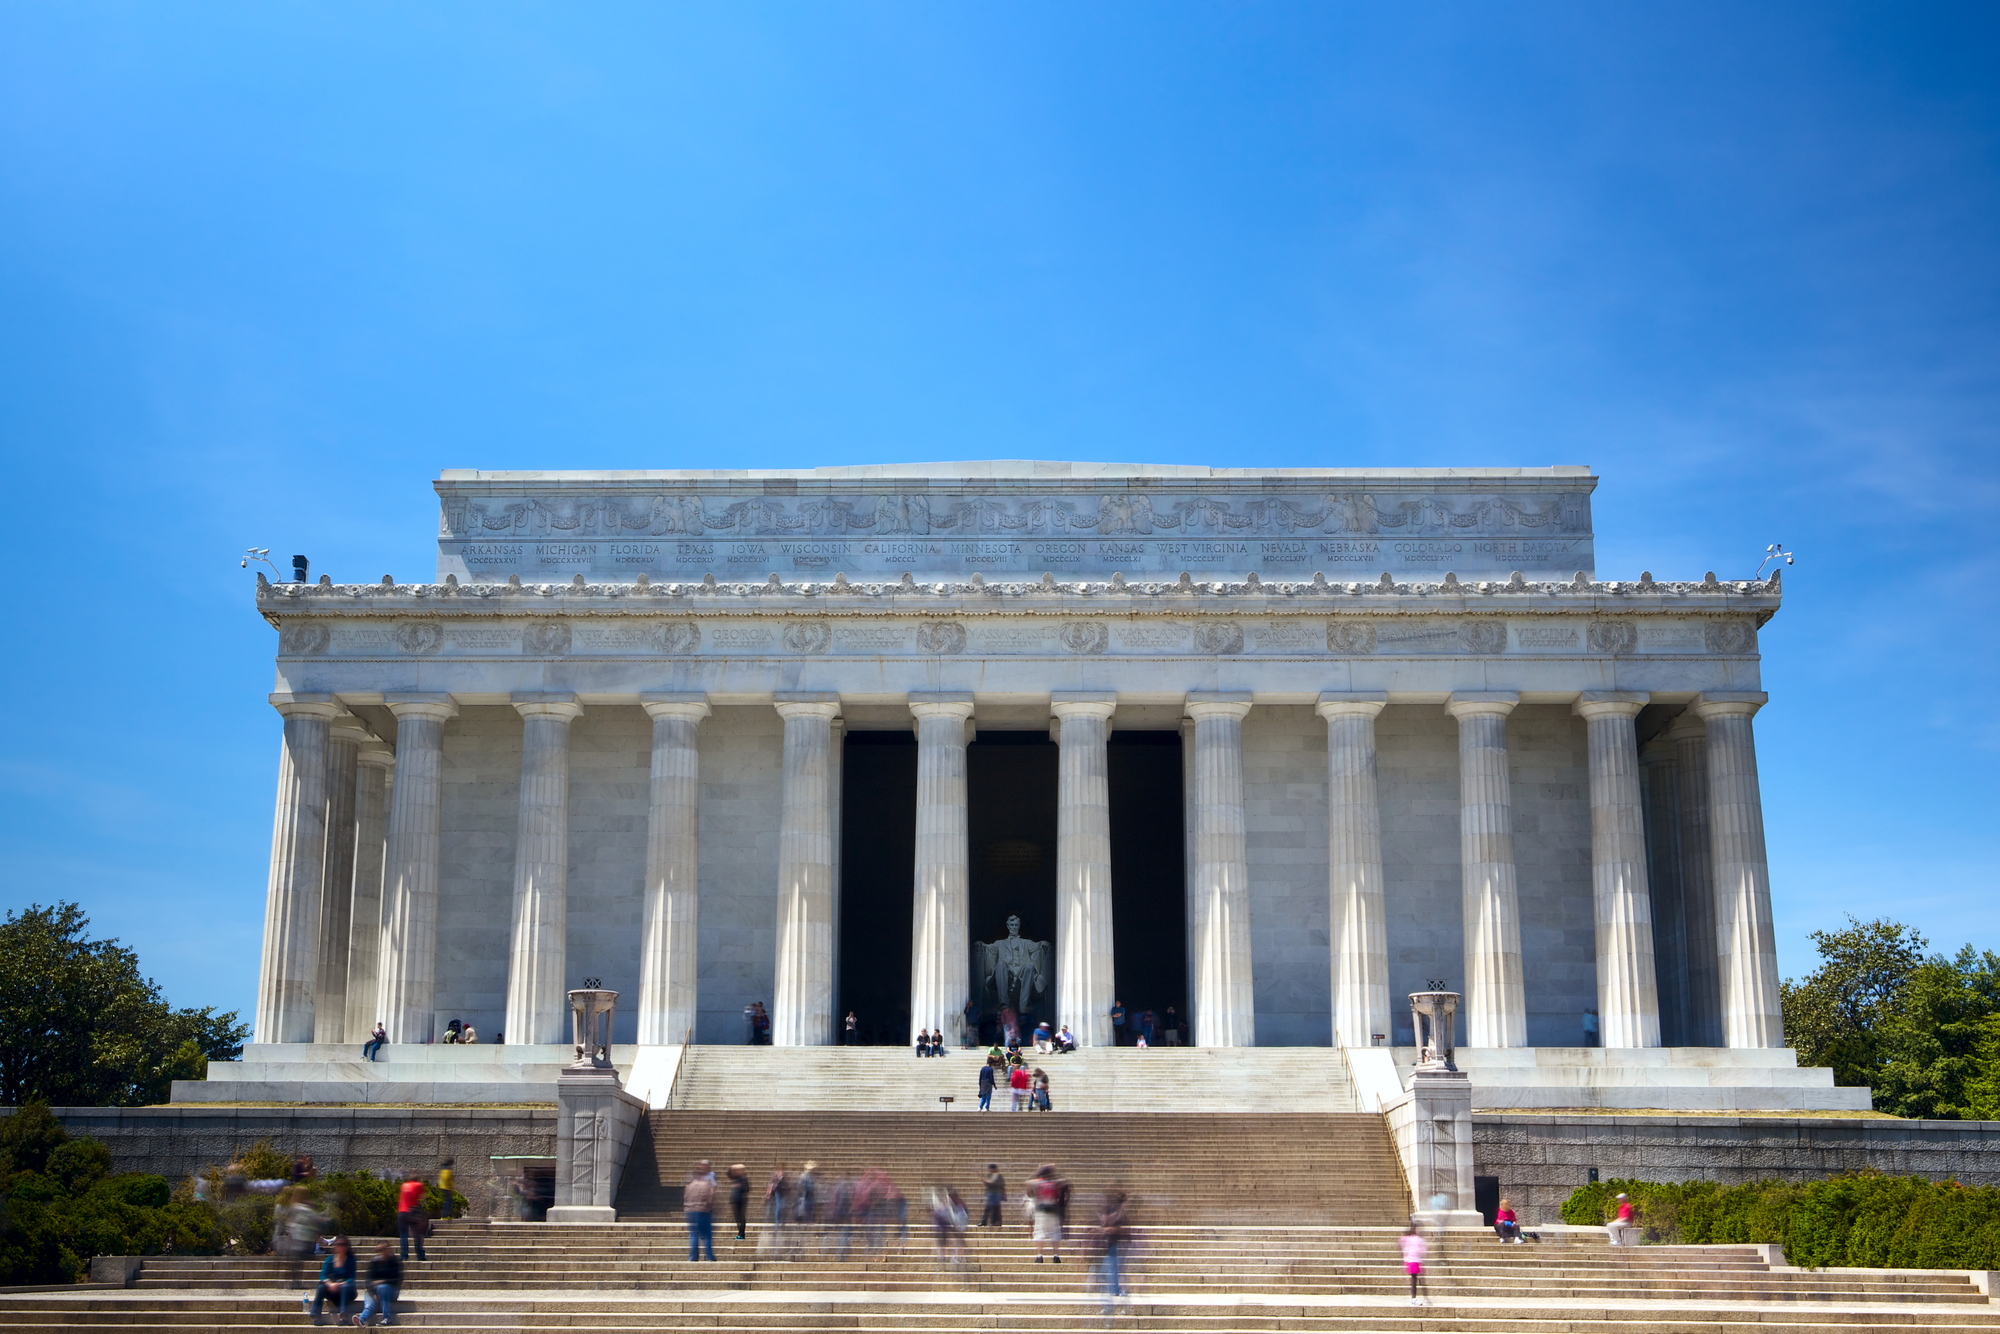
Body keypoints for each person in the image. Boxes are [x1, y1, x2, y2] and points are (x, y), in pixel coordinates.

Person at [307, 1235, 355, 1322]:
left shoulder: (351, 1260)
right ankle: (316, 1315)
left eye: (342, 1244)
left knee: (345, 1286)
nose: (339, 1246)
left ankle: (343, 1316)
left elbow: (351, 1278)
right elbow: (323, 1275)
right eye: (337, 1244)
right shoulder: (330, 1259)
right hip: (332, 1289)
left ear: (346, 1246)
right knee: (321, 1287)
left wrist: (338, 1284)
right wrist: (330, 1284)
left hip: (347, 1290)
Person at [1094, 1191, 1129, 1311]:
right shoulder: (1116, 1212)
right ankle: (1116, 1290)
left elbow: (1117, 1228)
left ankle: (1117, 1290)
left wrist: (1106, 1228)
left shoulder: (1117, 1213)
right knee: (1111, 1268)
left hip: (1115, 1244)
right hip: (1112, 1244)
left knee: (1112, 1268)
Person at [351, 1242, 400, 1327]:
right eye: (378, 1250)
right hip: (373, 1291)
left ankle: (387, 1318)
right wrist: (374, 1293)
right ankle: (361, 1320)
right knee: (369, 1305)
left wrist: (382, 1282)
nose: (380, 1252)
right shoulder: (374, 1262)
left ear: (388, 1250)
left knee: (382, 1288)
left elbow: (396, 1280)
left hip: (391, 1291)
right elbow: (368, 1281)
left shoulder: (394, 1262)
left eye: (382, 1249)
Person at [1029, 1165, 1064, 1263]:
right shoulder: (1055, 1183)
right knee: (1055, 1233)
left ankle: (1039, 1256)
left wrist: (1037, 1172)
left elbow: (1027, 1182)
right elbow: (1063, 1180)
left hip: (1041, 1210)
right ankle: (1056, 1256)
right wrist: (1055, 1171)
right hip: (1053, 1210)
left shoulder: (1038, 1183)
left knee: (1039, 1232)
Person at [685, 1160, 717, 1261]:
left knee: (693, 1234)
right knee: (707, 1234)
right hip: (703, 1211)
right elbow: (710, 1198)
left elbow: (685, 1197)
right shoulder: (706, 1185)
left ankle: (693, 1257)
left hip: (690, 1211)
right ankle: (709, 1256)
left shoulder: (689, 1186)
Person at [396, 1175, 428, 1263]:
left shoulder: (404, 1185)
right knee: (417, 1235)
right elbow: (423, 1197)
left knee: (403, 1234)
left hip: (402, 1211)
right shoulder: (418, 1185)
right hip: (412, 1212)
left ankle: (404, 1255)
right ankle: (420, 1255)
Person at [1400, 1223, 1428, 1306]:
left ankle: (1418, 1297)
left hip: (1416, 1260)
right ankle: (1414, 1298)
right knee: (1414, 1279)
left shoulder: (1416, 1239)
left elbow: (1422, 1249)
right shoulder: (1411, 1238)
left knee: (1416, 1279)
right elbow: (1402, 1243)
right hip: (1412, 1260)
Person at [727, 1163, 750, 1241]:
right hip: (735, 1200)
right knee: (737, 1218)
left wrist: (740, 1187)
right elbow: (728, 1174)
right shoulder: (736, 1178)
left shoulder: (743, 1178)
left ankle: (742, 1234)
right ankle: (740, 1233)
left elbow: (747, 1189)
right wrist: (732, 1168)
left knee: (741, 1218)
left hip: (741, 1200)